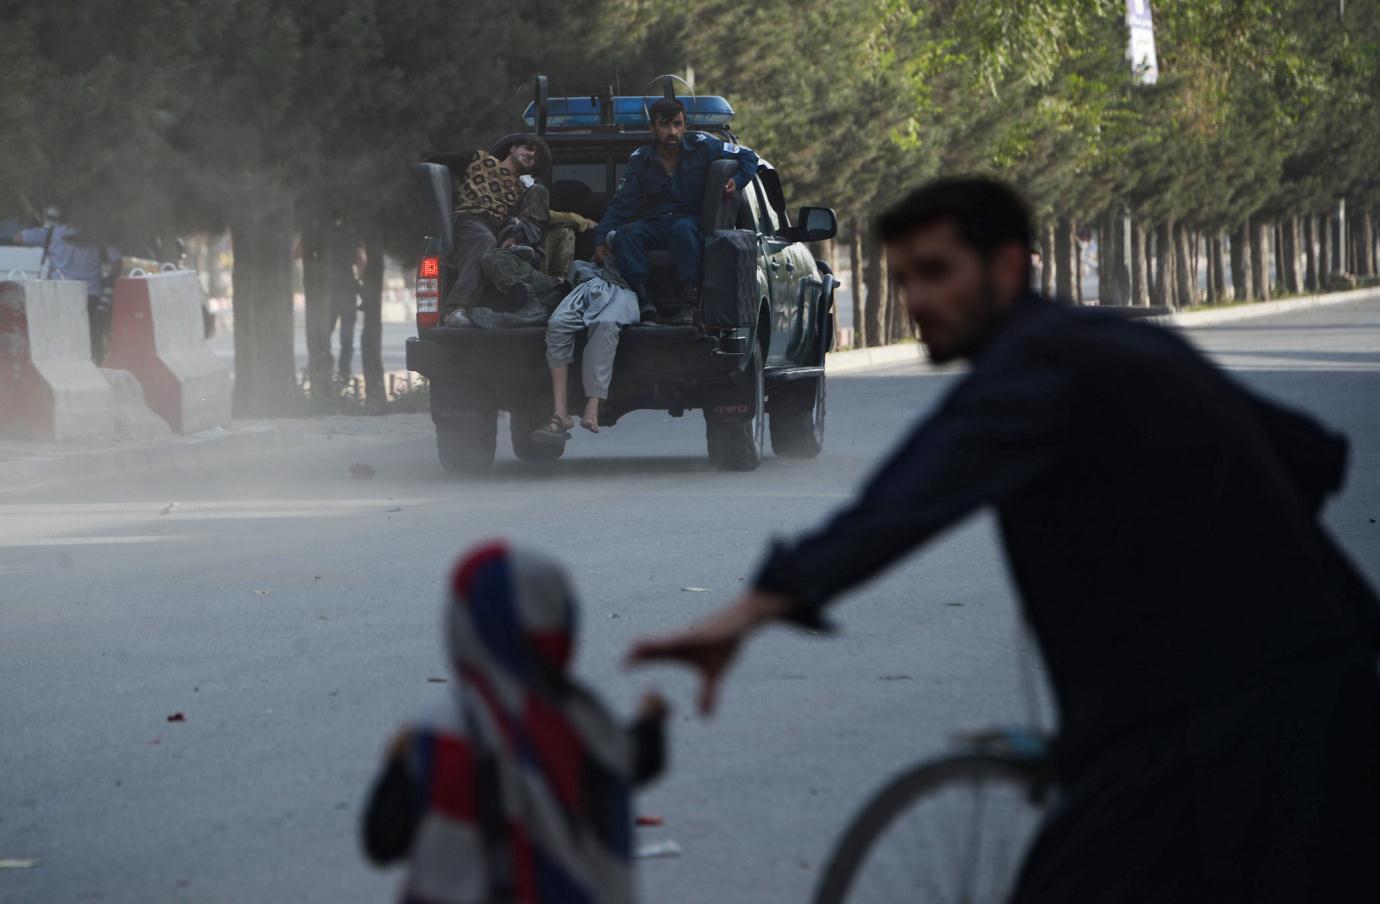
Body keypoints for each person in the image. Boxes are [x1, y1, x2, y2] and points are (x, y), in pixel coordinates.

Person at [628, 178, 1380, 901]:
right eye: (903, 278)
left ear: (1010, 267)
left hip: (1243, 714)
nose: (915, 299)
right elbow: (1312, 453)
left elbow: (902, 504)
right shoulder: (1099, 345)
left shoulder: (1039, 369)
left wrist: (750, 611)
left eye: (936, 273)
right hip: (1257, 685)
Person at [363, 541, 669, 904]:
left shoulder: (443, 731)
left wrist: (396, 765)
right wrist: (652, 719)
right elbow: (635, 760)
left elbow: (382, 840)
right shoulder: (579, 719)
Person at [592, 98, 758, 324]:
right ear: (653, 127)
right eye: (665, 125)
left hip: (690, 221)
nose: (672, 131)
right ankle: (644, 300)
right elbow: (622, 204)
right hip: (656, 223)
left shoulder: (703, 146)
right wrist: (601, 238)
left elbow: (749, 157)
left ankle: (689, 301)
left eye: (678, 124)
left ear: (685, 125)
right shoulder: (641, 159)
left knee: (684, 230)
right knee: (626, 234)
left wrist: (735, 182)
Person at [444, 135, 565, 327]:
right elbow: (437, 162)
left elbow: (531, 220)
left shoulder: (523, 190)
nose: (530, 155)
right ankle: (456, 308)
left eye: (535, 157)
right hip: (471, 218)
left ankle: (527, 282)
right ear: (513, 148)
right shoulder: (479, 158)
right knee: (485, 241)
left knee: (500, 249)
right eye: (528, 148)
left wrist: (512, 238)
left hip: (497, 228)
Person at [531, 259, 641, 445]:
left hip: (620, 288)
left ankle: (593, 406)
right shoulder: (586, 263)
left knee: (605, 325)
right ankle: (560, 413)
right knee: (557, 325)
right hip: (588, 284)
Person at [7, 206, 120, 362]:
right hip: (91, 295)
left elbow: (17, 238)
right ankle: (94, 367)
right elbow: (116, 262)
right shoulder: (96, 234)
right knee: (90, 337)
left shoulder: (52, 233)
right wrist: (108, 281)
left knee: (60, 338)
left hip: (60, 294)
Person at [325, 215, 365, 379]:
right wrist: (360, 279)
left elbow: (296, 253)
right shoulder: (353, 235)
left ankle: (324, 367)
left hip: (328, 290)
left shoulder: (323, 232)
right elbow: (361, 259)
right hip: (348, 289)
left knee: (325, 331)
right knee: (347, 335)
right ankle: (344, 371)